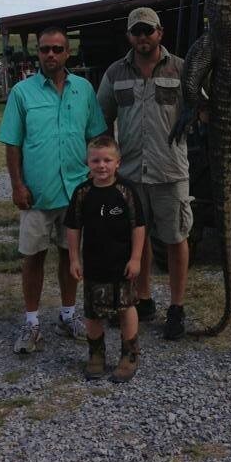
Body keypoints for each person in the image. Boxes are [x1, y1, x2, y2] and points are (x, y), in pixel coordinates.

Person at [0, 26, 107, 354]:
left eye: (58, 49)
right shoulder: (22, 93)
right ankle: (31, 323)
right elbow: (13, 143)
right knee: (32, 256)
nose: (51, 55)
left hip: (76, 191)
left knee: (70, 254)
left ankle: (68, 314)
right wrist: (17, 185)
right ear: (38, 53)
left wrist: (98, 181)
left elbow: (96, 136)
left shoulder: (84, 90)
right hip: (38, 191)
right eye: (45, 49)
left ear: (67, 53)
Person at [96, 7, 192, 339]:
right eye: (136, 31)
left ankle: (177, 308)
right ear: (129, 36)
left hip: (170, 172)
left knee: (176, 238)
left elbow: (202, 109)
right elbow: (102, 121)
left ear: (160, 33)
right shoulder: (114, 74)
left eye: (148, 31)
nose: (143, 37)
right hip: (132, 174)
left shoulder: (182, 69)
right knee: (138, 239)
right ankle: (144, 298)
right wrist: (106, 164)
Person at [66, 135, 145, 382]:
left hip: (122, 266)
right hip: (93, 265)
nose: (102, 165)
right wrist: (74, 259)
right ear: (87, 162)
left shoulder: (127, 191)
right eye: (96, 160)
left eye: (107, 160)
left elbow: (138, 226)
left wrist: (136, 258)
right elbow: (73, 227)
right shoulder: (82, 193)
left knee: (126, 309)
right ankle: (96, 354)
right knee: (92, 313)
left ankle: (129, 354)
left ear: (118, 163)